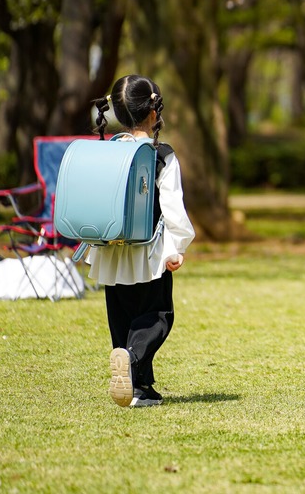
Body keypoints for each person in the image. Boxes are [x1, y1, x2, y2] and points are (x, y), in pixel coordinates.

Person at [88, 75, 196, 408]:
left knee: (123, 320)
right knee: (158, 315)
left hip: (110, 252)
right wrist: (177, 247)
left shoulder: (106, 152)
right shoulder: (160, 155)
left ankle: (140, 388)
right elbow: (173, 205)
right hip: (149, 252)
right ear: (154, 112)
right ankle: (132, 359)